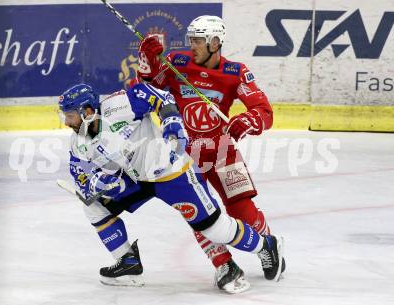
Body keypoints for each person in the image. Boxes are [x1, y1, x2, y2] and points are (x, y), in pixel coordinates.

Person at [59, 82, 284, 292]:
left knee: (213, 228)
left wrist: (171, 120)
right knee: (94, 208)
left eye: (69, 116)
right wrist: (96, 183)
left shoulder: (119, 105)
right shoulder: (78, 140)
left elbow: (158, 95)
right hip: (136, 180)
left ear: (87, 111)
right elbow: (79, 172)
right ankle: (128, 262)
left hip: (171, 172)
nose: (66, 122)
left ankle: (266, 245)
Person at [136, 15, 285, 286]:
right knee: (197, 211)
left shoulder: (235, 72)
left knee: (242, 210)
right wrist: (147, 62)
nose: (192, 46)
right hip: (185, 156)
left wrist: (247, 120)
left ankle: (268, 244)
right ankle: (223, 264)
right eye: (191, 40)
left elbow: (264, 112)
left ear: (215, 42)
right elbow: (145, 91)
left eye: (198, 41)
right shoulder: (178, 64)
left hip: (222, 151)